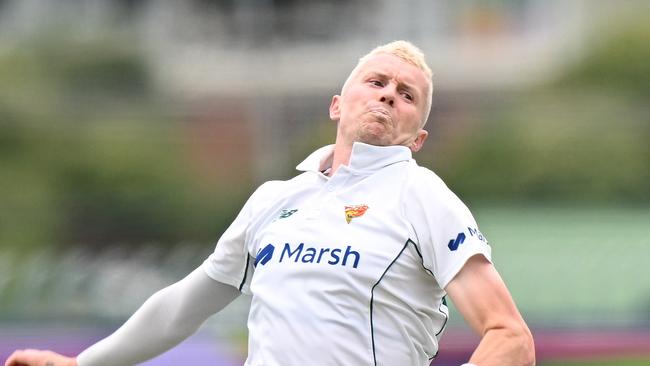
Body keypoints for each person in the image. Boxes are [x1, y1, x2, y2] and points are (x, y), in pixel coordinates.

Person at [5, 40, 535, 366]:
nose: (389, 94)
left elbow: (510, 338)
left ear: (416, 138)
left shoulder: (422, 195)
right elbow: (182, 307)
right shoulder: (273, 200)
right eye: (376, 82)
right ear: (337, 104)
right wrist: (83, 364)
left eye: (407, 94)